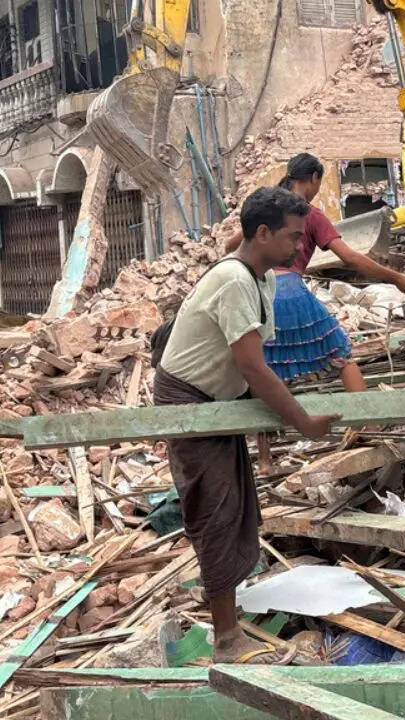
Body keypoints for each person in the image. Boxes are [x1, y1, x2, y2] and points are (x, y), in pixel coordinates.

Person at [155, 186, 341, 664]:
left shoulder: (263, 279)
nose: (299, 245)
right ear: (262, 233)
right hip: (190, 401)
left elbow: (252, 360)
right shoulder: (236, 280)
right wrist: (303, 422)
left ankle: (229, 619)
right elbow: (252, 366)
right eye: (292, 236)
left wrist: (266, 413)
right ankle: (226, 639)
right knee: (216, 511)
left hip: (219, 399)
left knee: (236, 508)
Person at [227, 153, 405, 389]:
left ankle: (275, 414)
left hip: (258, 293)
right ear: (315, 177)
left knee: (266, 365)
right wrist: (396, 277)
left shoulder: (269, 211)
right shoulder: (310, 215)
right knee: (342, 356)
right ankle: (364, 412)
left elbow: (229, 247)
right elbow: (350, 258)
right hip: (291, 293)